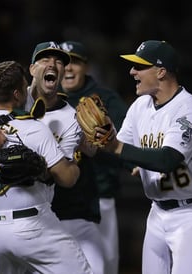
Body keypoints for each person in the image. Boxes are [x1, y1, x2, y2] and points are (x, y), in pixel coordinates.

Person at [102, 40, 192, 274]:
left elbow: (167, 160)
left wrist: (116, 148)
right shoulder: (140, 106)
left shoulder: (189, 110)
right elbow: (124, 152)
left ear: (161, 71)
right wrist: (96, 145)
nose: (132, 71)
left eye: (140, 66)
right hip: (157, 211)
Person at [0, 60, 92, 274]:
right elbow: (67, 179)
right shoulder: (33, 128)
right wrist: (72, 158)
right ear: (17, 94)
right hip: (31, 226)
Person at [28, 41, 104, 274]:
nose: (53, 64)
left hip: (55, 213)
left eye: (59, 61)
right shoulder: (12, 107)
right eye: (45, 59)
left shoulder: (73, 116)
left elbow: (92, 151)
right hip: (1, 212)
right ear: (32, 69)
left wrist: (100, 136)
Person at [60, 40, 128, 274]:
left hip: (100, 196)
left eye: (75, 62)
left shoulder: (107, 99)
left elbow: (126, 145)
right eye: (64, 62)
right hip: (57, 203)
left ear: (86, 66)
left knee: (105, 266)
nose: (68, 68)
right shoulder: (43, 101)